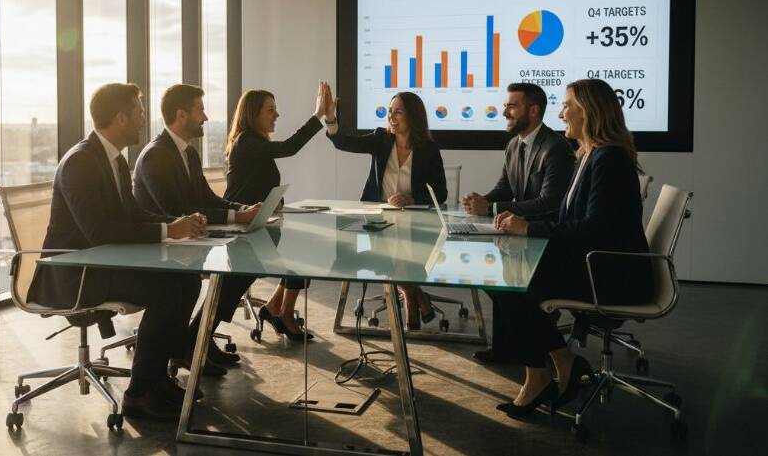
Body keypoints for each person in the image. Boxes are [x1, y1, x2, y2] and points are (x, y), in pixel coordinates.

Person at [27, 83, 208, 421]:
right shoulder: (80, 163)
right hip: (74, 273)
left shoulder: (115, 161)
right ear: (121, 118)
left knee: (185, 279)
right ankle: (140, 394)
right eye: (139, 112)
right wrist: (169, 231)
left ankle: (156, 380)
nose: (144, 119)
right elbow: (99, 232)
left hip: (101, 264)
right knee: (167, 287)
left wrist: (177, 223)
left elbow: (133, 215)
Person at [491, 78, 652, 417]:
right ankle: (561, 361)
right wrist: (519, 219)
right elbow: (566, 214)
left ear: (588, 112)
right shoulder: (589, 155)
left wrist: (529, 228)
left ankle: (540, 374)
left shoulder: (609, 160)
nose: (561, 113)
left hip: (610, 274)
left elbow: (594, 228)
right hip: (594, 264)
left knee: (509, 281)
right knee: (506, 276)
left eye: (567, 106)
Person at [134, 83, 263, 374]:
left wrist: (240, 210)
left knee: (245, 264)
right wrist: (236, 218)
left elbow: (205, 199)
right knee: (224, 272)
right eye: (200, 110)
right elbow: (175, 211)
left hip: (189, 242)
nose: (205, 117)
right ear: (181, 115)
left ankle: (196, 340)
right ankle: (191, 344)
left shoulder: (188, 154)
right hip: (162, 249)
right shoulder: (156, 155)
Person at [460, 82, 574, 365]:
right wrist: (482, 201)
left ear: (533, 111)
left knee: (502, 279)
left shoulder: (555, 148)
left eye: (512, 106)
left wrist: (494, 208)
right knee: (493, 271)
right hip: (519, 235)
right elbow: (505, 187)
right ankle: (506, 348)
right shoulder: (514, 145)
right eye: (505, 106)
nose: (505, 112)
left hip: (545, 239)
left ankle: (528, 350)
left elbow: (550, 203)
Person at [324, 90, 448, 329]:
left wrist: (411, 198)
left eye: (398, 111)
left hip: (415, 219)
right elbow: (342, 142)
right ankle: (413, 297)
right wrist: (330, 118)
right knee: (394, 251)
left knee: (399, 250)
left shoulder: (429, 149)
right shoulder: (381, 139)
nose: (391, 116)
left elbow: (440, 193)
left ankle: (411, 298)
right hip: (379, 216)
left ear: (413, 116)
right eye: (390, 111)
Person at [224, 82, 330, 340]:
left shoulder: (254, 143)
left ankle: (277, 310)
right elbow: (289, 148)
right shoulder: (247, 142)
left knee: (302, 255)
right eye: (271, 110)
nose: (277, 115)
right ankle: (279, 312)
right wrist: (317, 115)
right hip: (243, 229)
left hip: (258, 224)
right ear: (253, 114)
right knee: (300, 257)